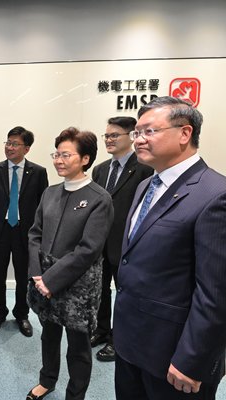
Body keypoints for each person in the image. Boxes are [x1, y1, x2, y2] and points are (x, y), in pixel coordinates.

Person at [114, 96, 226, 399]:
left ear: (185, 133)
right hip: (130, 342)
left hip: (175, 356)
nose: (138, 140)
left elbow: (216, 293)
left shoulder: (216, 194)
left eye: (149, 131)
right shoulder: (145, 186)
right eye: (137, 132)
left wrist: (192, 359)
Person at [26, 127, 113, 400]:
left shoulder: (100, 198)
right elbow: (34, 234)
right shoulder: (50, 192)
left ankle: (75, 395)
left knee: (78, 346)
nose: (59, 160)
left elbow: (88, 250)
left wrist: (51, 280)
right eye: (56, 154)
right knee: (49, 336)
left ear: (85, 159)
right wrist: (38, 275)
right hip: (44, 281)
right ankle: (47, 380)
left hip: (78, 284)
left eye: (66, 155)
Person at [90, 116, 153, 362]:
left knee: (124, 294)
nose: (108, 140)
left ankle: (119, 340)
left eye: (114, 135)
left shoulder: (144, 169)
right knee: (100, 290)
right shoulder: (100, 169)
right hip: (100, 243)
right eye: (106, 135)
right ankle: (101, 330)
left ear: (132, 136)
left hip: (127, 245)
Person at [0, 126, 48, 336]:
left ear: (26, 149)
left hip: (25, 232)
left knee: (23, 277)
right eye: (8, 143)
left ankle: (22, 314)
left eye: (15, 144)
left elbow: (41, 205)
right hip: (0, 230)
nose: (9, 147)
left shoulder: (38, 172)